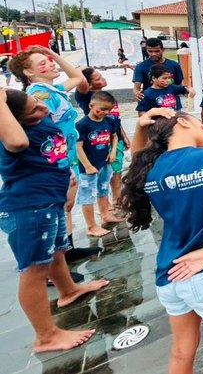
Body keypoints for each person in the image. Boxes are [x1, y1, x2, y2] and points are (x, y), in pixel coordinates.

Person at [120, 108, 203, 374]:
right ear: (182, 122)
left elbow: (135, 160)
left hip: (170, 272)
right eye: (200, 122)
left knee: (181, 352)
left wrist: (140, 126)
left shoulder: (149, 168)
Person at [0, 88, 109, 353]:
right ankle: (45, 336)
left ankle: (68, 291)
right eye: (34, 109)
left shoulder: (42, 119)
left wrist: (68, 181)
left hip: (52, 201)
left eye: (38, 102)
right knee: (34, 269)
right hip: (29, 207)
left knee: (57, 252)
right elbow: (18, 144)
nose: (43, 108)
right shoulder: (11, 134)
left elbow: (56, 151)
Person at [9, 46, 100, 265]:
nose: (50, 65)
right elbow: (44, 136)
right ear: (28, 72)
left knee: (66, 206)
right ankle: (54, 261)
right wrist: (63, 166)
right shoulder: (39, 95)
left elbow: (78, 77)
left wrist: (54, 54)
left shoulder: (54, 89)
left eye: (49, 61)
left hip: (66, 158)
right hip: (56, 161)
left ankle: (67, 250)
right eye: (43, 63)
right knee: (59, 207)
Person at [77, 68, 131, 210]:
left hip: (113, 135)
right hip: (98, 140)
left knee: (117, 170)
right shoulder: (86, 96)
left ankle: (117, 200)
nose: (102, 78)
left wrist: (123, 136)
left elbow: (115, 120)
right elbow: (79, 78)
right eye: (97, 78)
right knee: (106, 174)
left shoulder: (107, 98)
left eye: (100, 75)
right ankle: (108, 206)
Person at [75, 91, 122, 237]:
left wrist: (113, 151)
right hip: (88, 167)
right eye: (101, 109)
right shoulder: (82, 125)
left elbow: (114, 136)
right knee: (87, 195)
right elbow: (78, 147)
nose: (104, 112)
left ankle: (105, 214)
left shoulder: (109, 121)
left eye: (108, 109)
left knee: (103, 190)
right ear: (91, 106)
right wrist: (87, 165)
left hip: (105, 162)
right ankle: (91, 225)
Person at [132, 37, 184, 102]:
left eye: (157, 51)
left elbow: (180, 84)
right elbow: (137, 88)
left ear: (162, 50)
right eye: (150, 51)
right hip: (151, 104)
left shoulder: (174, 65)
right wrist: (137, 94)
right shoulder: (141, 66)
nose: (153, 54)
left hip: (171, 102)